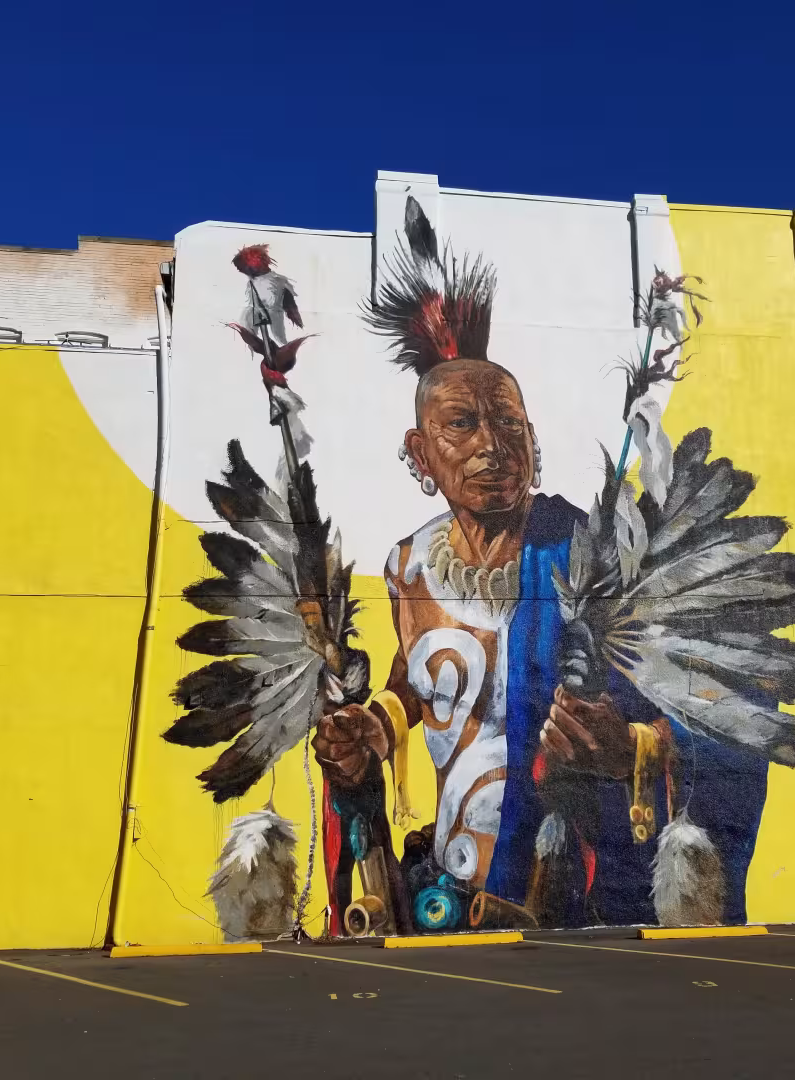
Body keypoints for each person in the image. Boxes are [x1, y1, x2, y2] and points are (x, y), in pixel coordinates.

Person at [311, 202, 770, 932]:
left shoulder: (603, 555)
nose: (493, 444)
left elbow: (736, 717)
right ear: (420, 453)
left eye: (510, 424)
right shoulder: (408, 567)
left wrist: (636, 751)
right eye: (462, 424)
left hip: (573, 895)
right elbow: (417, 682)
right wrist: (374, 729)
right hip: (448, 900)